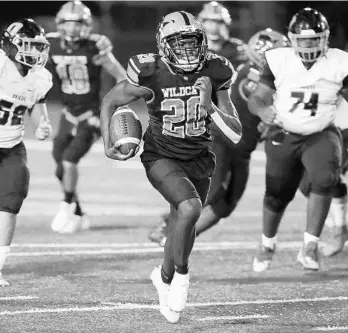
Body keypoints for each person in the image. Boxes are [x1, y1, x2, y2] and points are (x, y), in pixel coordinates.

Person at [100, 11, 242, 323]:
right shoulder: (150, 71)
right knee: (190, 209)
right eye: (181, 44)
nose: (189, 51)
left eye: (193, 44)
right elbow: (112, 100)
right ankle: (181, 277)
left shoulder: (216, 70)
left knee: (184, 223)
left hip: (199, 158)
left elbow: (235, 131)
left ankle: (162, 277)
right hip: (160, 155)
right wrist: (107, 143)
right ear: (165, 46)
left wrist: (210, 106)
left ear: (203, 43)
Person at [248, 7, 348, 272]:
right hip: (284, 133)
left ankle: (310, 246)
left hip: (321, 132)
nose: (308, 44)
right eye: (303, 39)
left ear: (324, 38)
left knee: (325, 179)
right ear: (292, 39)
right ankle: (268, 243)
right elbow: (256, 98)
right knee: (277, 194)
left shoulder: (339, 62)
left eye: (314, 39)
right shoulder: (277, 60)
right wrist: (262, 110)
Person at [148, 1, 248, 246]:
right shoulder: (186, 52)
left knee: (227, 202)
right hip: (206, 129)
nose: (214, 27)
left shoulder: (237, 51)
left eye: (219, 22)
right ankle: (171, 233)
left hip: (237, 130)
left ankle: (175, 234)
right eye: (210, 22)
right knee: (209, 195)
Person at [47, 0, 126, 234]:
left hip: (90, 115)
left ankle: (65, 206)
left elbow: (121, 77)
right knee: (60, 167)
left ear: (87, 25)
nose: (72, 29)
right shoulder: (50, 44)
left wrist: (111, 108)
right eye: (68, 24)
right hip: (67, 113)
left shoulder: (95, 46)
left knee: (70, 160)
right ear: (60, 24)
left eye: (77, 23)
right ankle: (78, 212)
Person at [0, 18, 53, 287]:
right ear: (10, 45)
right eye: (29, 45)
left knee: (11, 201)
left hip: (11, 147)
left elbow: (37, 102)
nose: (35, 52)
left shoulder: (41, 77)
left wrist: (42, 121)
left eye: (39, 46)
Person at [299, 97, 348, 257]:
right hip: (313, 127)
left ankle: (339, 230)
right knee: (306, 183)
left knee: (326, 179)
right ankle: (337, 225)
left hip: (340, 127)